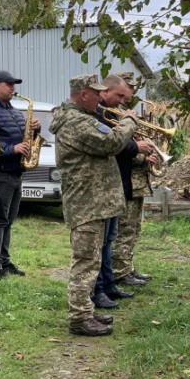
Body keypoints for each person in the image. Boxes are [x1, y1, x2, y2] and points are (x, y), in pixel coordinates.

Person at [49, 74, 138, 336]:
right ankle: (79, 318)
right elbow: (110, 142)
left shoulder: (81, 118)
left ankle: (86, 311)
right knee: (85, 261)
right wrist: (129, 121)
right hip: (86, 203)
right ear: (83, 94)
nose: (101, 97)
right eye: (96, 92)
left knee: (93, 259)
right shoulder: (77, 122)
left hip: (93, 202)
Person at [91, 75, 155, 309]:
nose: (121, 101)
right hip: (108, 184)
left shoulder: (110, 114)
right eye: (119, 95)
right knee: (104, 241)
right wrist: (137, 147)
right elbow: (112, 144)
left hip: (119, 183)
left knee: (109, 238)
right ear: (105, 92)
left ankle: (109, 285)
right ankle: (102, 286)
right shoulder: (99, 116)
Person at [0, 70, 40, 279]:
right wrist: (13, 149)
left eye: (14, 84)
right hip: (0, 173)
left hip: (15, 172)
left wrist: (34, 130)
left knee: (8, 220)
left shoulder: (10, 108)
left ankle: (4, 261)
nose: (13, 88)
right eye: (9, 84)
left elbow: (20, 135)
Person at [112, 72, 154, 285]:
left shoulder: (124, 112)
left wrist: (148, 153)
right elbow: (118, 146)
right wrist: (141, 153)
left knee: (134, 227)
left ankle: (128, 266)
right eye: (129, 87)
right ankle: (120, 271)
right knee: (125, 228)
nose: (132, 91)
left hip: (136, 179)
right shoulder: (114, 114)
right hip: (125, 177)